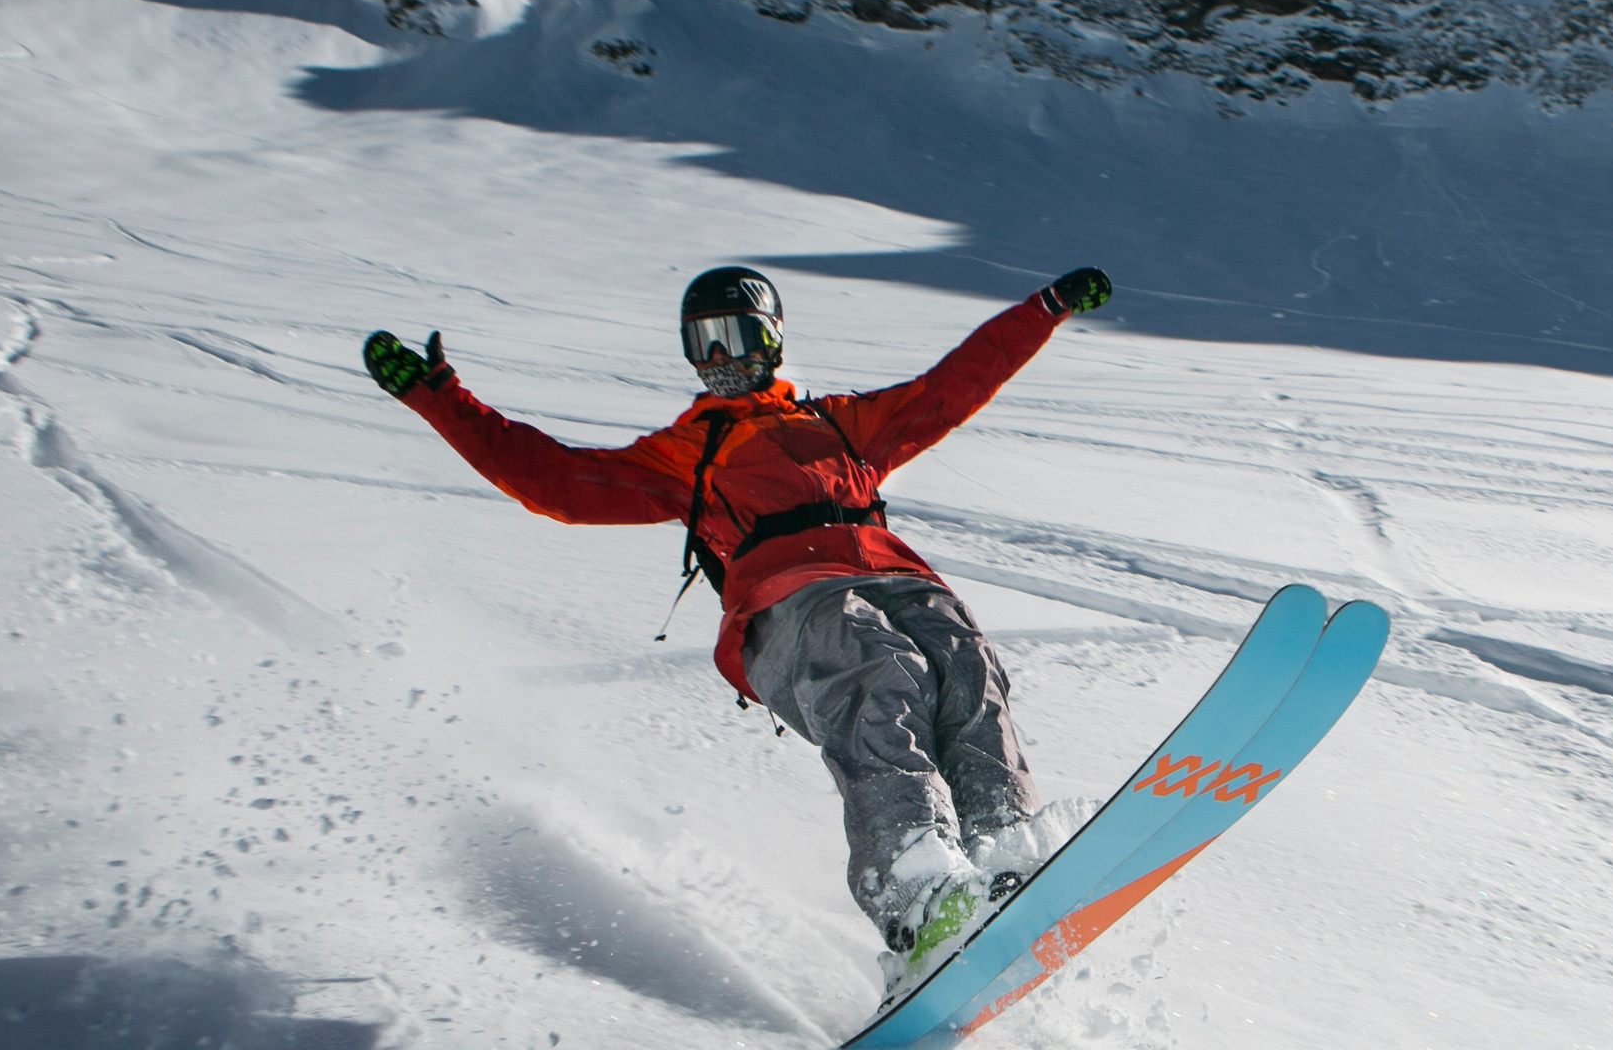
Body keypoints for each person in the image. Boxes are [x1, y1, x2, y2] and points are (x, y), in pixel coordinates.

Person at [361, 264, 1114, 1003]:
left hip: (899, 577)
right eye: (703, 344)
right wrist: (441, 401)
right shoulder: (687, 452)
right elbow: (556, 480)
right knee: (877, 676)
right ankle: (917, 893)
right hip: (790, 606)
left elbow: (950, 386)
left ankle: (1002, 850)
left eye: (734, 336)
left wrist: (1043, 308)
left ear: (771, 339)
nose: (720, 360)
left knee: (964, 667)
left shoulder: (838, 424)